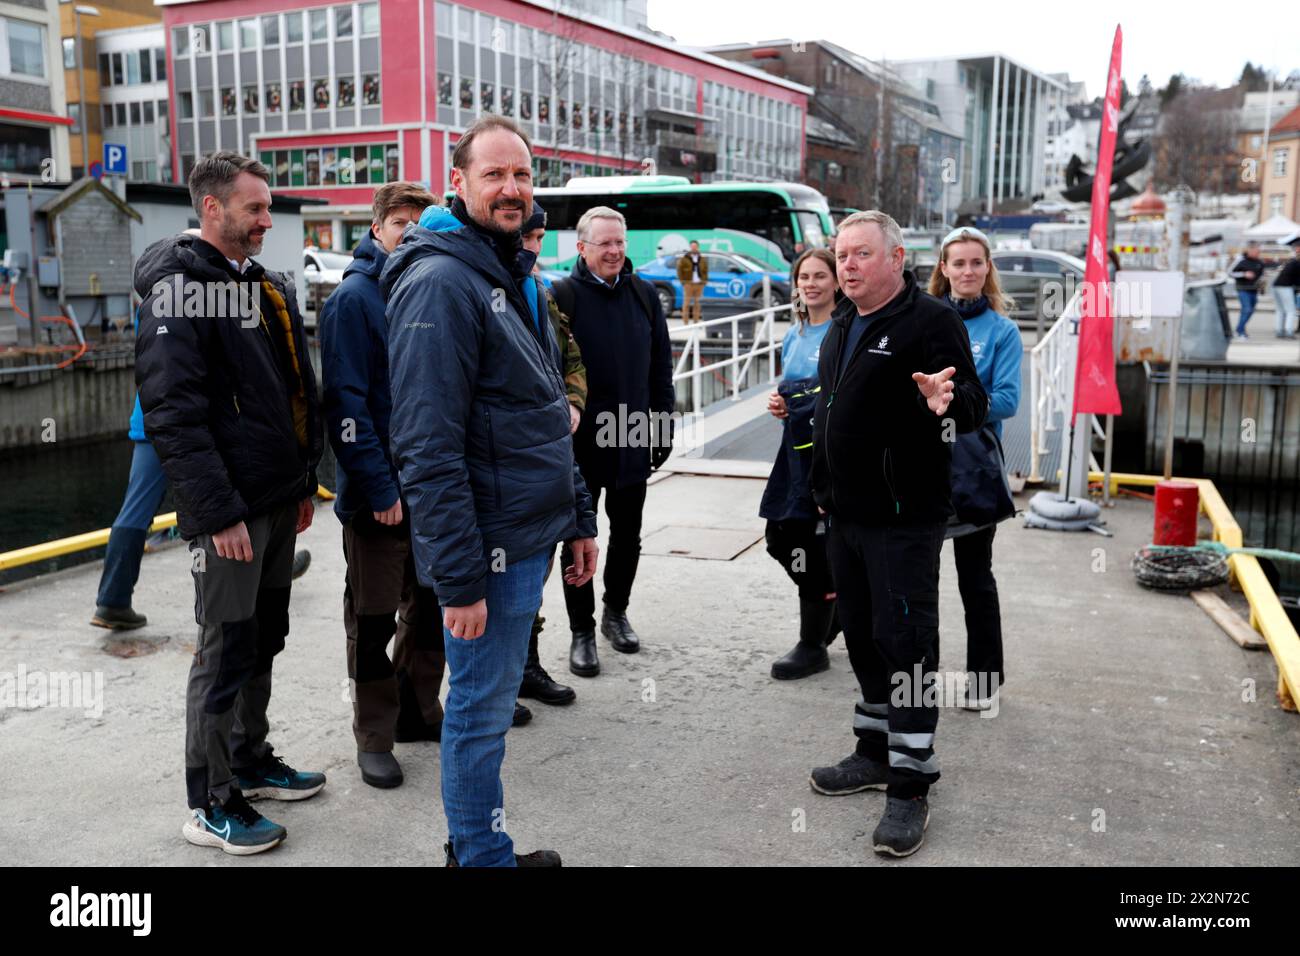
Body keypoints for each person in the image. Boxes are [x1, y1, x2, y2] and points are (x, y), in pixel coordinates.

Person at [384, 114, 599, 867]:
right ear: (458, 183)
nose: (513, 190)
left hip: (528, 532)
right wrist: (460, 581)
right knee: (477, 711)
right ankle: (478, 858)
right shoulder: (442, 282)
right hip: (490, 549)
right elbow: (427, 446)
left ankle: (479, 845)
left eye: (523, 175)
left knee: (488, 706)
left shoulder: (509, 270)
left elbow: (544, 412)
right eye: (495, 175)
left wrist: (576, 520)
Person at [135, 151, 326, 855]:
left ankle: (250, 759)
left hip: (275, 500)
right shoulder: (180, 289)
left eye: (267, 206)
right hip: (231, 513)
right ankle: (209, 801)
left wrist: (301, 482)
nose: (266, 220)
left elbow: (289, 392)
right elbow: (173, 413)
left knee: (262, 636)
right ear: (212, 209)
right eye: (254, 208)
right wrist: (216, 515)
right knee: (222, 649)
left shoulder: (254, 283)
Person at [806, 210, 986, 858]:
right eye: (841, 254)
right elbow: (836, 408)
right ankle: (874, 751)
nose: (846, 265)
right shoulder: (844, 321)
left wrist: (944, 401)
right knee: (860, 637)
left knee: (906, 644)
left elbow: (971, 405)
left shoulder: (931, 321)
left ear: (896, 257)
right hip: (845, 517)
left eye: (859, 254)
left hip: (904, 519)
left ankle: (911, 782)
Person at [320, 181, 450, 791]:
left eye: (421, 225)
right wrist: (378, 488)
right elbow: (345, 406)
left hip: (432, 488)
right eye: (401, 222)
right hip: (381, 495)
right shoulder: (354, 300)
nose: (409, 234)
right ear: (377, 229)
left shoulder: (428, 288)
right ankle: (374, 735)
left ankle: (419, 711)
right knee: (372, 619)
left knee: (431, 609)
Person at [550, 206, 675, 678]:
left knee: (628, 536)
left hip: (632, 436)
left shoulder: (643, 295)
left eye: (620, 242)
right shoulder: (562, 295)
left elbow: (660, 368)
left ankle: (615, 614)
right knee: (578, 537)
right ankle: (581, 631)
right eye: (604, 243)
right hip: (581, 441)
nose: (615, 251)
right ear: (582, 248)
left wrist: (663, 427)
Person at [927, 226, 1022, 710]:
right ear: (943, 269)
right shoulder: (922, 319)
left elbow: (1006, 400)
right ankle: (913, 680)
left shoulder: (1002, 332)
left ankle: (984, 683)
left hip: (971, 472)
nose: (967, 271)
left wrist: (948, 403)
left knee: (975, 578)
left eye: (976, 263)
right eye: (958, 263)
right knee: (914, 580)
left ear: (988, 271)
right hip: (920, 466)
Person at [516, 201, 587, 709]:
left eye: (539, 238)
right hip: (512, 463)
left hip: (549, 450)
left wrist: (574, 400)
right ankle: (508, 678)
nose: (534, 248)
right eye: (528, 238)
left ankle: (528, 668)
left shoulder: (541, 292)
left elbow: (569, 354)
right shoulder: (486, 291)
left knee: (533, 579)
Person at [761, 248, 842, 679]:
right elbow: (789, 389)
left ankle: (813, 643)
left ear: (835, 282)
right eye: (803, 277)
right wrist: (779, 403)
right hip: (792, 453)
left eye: (819, 276)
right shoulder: (793, 334)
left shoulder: (843, 331)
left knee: (810, 544)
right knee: (779, 537)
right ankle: (834, 603)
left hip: (826, 454)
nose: (810, 284)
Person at [1229, 241, 1268, 339]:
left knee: (1250, 310)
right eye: (1256, 251)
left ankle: (1240, 329)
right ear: (1250, 250)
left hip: (1254, 290)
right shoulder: (1241, 260)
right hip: (1243, 289)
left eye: (1259, 252)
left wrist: (1262, 284)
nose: (1257, 253)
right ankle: (1239, 331)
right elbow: (1230, 272)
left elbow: (1262, 276)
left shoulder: (1260, 262)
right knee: (1247, 309)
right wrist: (1244, 274)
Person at [1270, 237, 1300, 339]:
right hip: (1285, 287)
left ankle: (1279, 331)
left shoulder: (1292, 261)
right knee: (1290, 310)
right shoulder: (1297, 262)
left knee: (1280, 310)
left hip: (1276, 285)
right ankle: (1289, 331)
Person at [676, 239, 708, 324]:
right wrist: (683, 282)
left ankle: (695, 322)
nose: (694, 248)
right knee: (686, 304)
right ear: (690, 247)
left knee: (697, 304)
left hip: (699, 284)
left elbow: (705, 270)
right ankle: (685, 323)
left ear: (698, 247)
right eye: (692, 246)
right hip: (688, 283)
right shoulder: (685, 258)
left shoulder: (702, 258)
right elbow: (679, 270)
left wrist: (704, 281)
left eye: (695, 246)